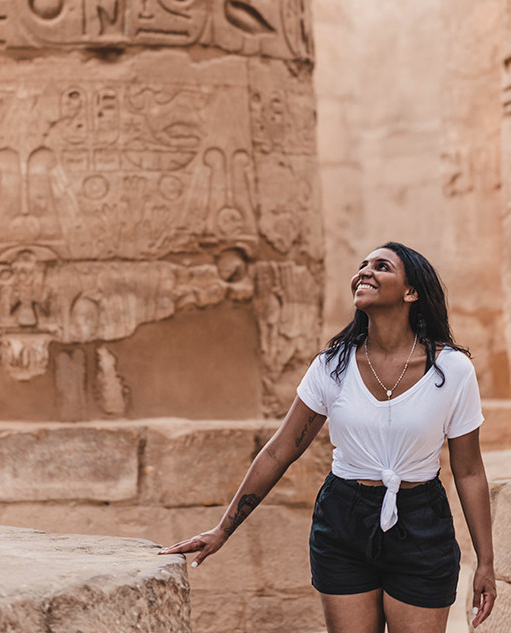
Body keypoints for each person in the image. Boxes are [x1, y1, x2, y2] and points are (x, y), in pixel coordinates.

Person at [159, 242, 496, 633]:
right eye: (362, 265)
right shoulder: (332, 365)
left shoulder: (451, 370)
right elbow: (281, 450)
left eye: (381, 266)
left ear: (411, 292)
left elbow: (469, 471)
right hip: (343, 519)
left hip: (420, 522)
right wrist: (223, 528)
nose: (364, 272)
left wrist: (485, 563)